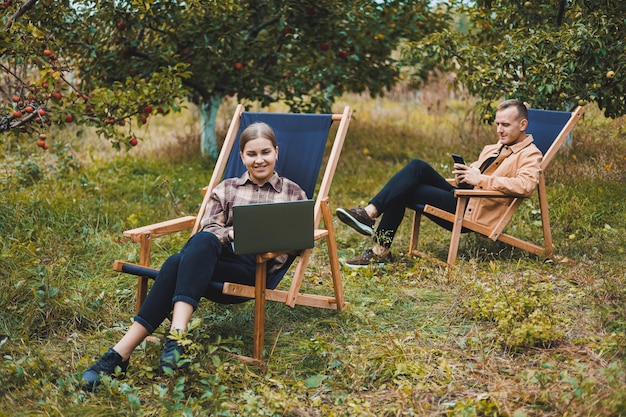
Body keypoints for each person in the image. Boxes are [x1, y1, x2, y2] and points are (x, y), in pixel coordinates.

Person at [81, 122, 307, 390]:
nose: (259, 160)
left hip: (252, 270)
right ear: (242, 156)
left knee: (178, 262)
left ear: (276, 152)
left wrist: (254, 237)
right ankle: (159, 342)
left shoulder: (292, 192)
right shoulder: (227, 188)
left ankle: (121, 355)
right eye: (252, 154)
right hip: (216, 258)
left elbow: (297, 241)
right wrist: (232, 235)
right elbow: (209, 228)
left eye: (265, 152)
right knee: (200, 242)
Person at [335, 99, 542, 268]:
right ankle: (370, 216)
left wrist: (481, 179)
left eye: (505, 125)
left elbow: (526, 186)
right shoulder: (494, 147)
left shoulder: (530, 154)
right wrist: (465, 175)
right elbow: (476, 175)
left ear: (522, 125)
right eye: (497, 124)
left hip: (471, 210)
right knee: (417, 167)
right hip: (464, 196)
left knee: (405, 189)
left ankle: (376, 238)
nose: (499, 130)